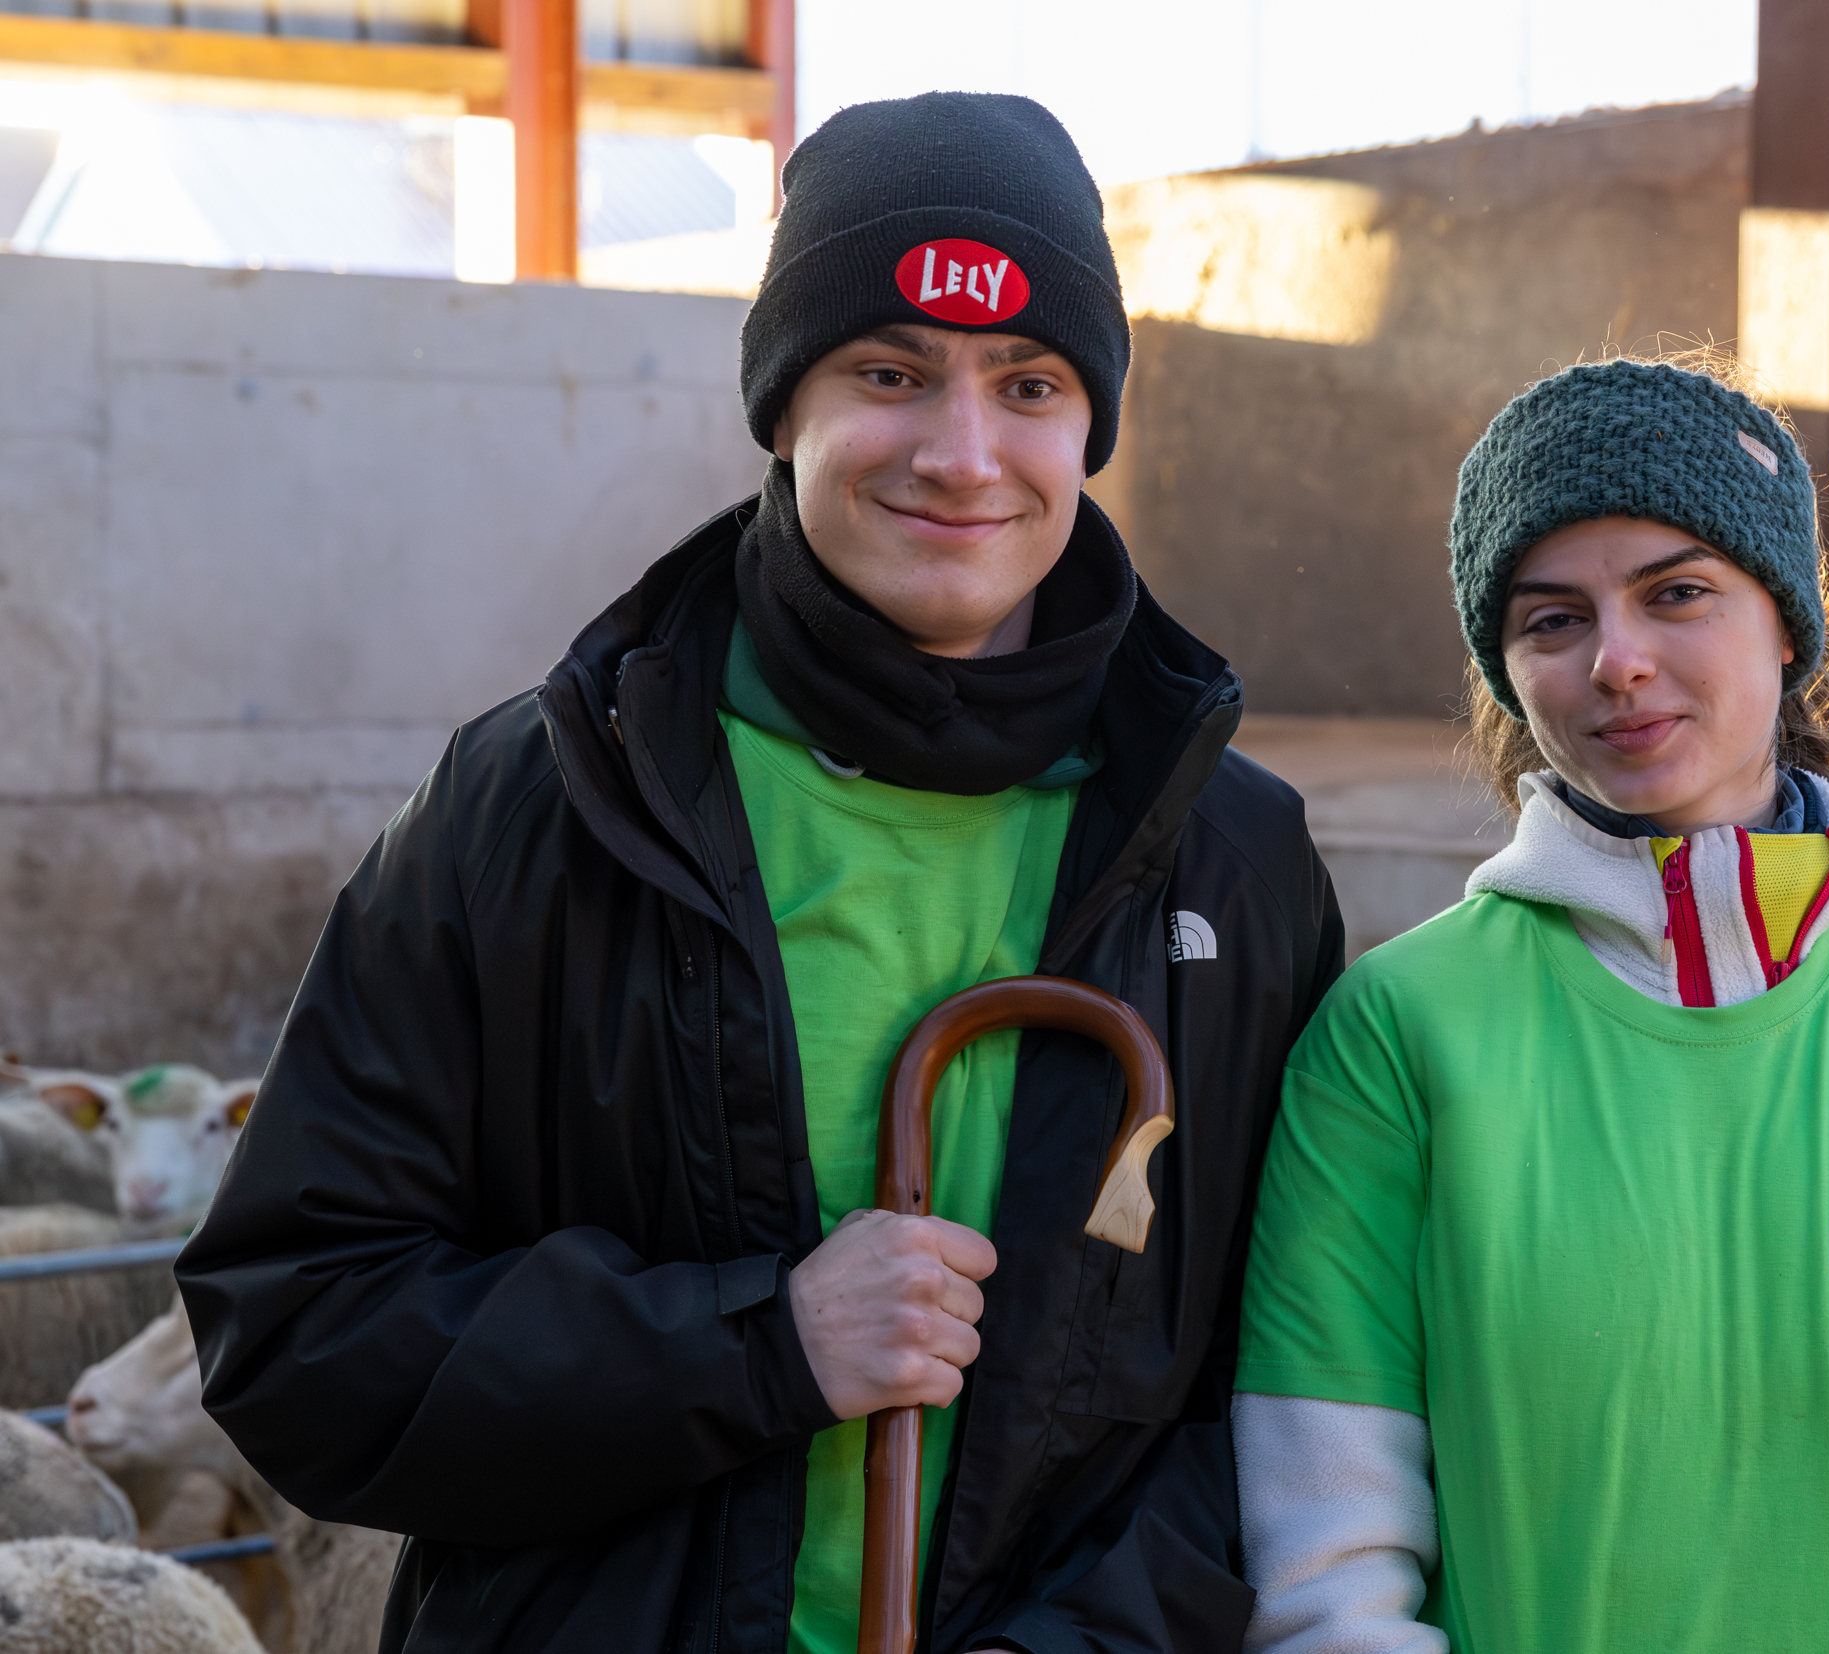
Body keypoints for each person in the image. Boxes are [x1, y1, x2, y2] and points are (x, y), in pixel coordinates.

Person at [177, 92, 1343, 1654]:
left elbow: (1282, 1399)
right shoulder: (534, 804)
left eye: (1031, 383)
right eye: (890, 371)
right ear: (781, 404)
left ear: (1091, 426)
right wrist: (757, 1342)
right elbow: (298, 1331)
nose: (962, 451)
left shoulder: (1234, 863)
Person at [1229, 356, 1829, 1654]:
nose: (1619, 661)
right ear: (1508, 669)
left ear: (1787, 619)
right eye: (1551, 620)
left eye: (1677, 592)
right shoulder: (1398, 1037)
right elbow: (1329, 1570)